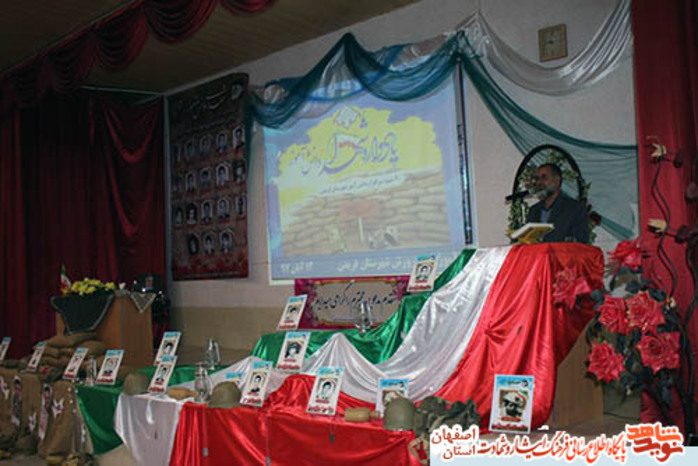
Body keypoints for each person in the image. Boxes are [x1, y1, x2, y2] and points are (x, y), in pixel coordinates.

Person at [525, 163, 589, 243]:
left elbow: (581, 241)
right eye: (537, 179)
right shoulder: (533, 211)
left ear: (557, 180)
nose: (539, 182)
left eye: (544, 177)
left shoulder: (574, 208)